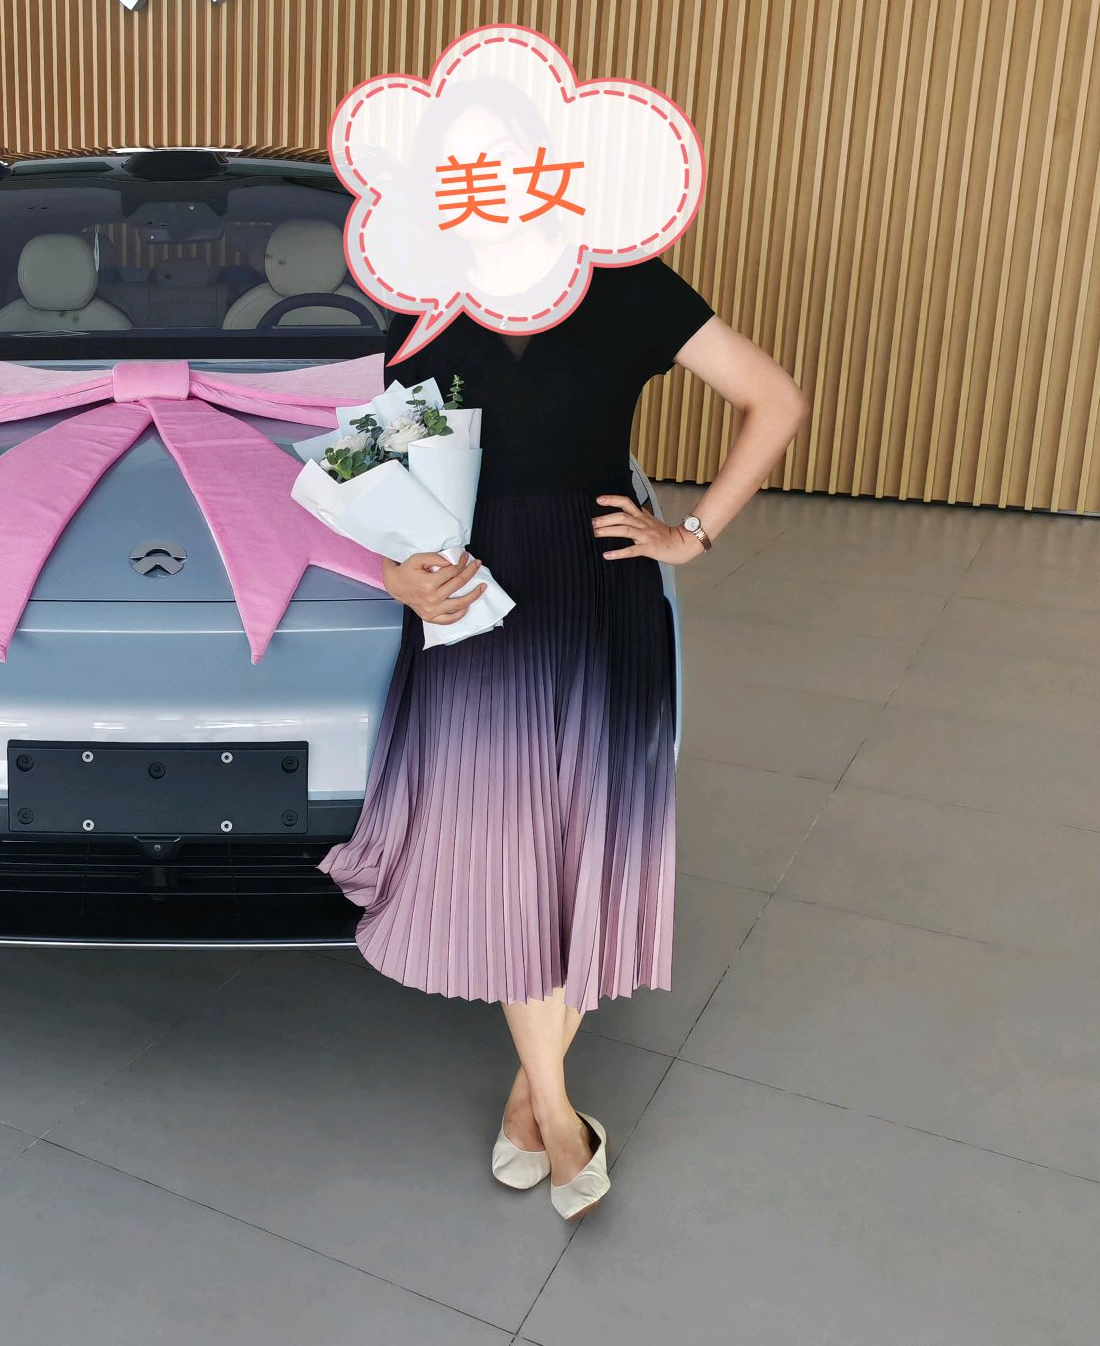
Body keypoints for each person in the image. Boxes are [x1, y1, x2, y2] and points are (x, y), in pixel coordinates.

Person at [319, 257, 808, 1221]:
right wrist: (390, 573)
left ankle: (537, 1106)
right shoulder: (422, 289)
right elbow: (373, 458)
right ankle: (551, 1108)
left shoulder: (627, 280)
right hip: (474, 601)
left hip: (598, 592)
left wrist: (693, 533)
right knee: (510, 848)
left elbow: (777, 400)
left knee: (584, 842)